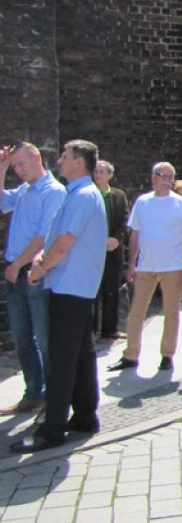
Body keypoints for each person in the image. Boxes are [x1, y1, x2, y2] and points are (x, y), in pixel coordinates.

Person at [10, 140, 107, 453]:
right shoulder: (80, 194)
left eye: (65, 156)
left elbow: (64, 243)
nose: (60, 161)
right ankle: (84, 416)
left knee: (63, 359)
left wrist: (40, 268)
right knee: (80, 354)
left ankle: (52, 430)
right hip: (74, 286)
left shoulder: (81, 196)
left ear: (79, 162)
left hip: (69, 287)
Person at [108, 162, 182, 373]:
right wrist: (131, 263)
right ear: (153, 178)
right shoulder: (143, 202)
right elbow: (135, 234)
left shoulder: (181, 204)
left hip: (172, 266)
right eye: (162, 175)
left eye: (170, 176)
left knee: (171, 312)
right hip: (146, 266)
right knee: (136, 312)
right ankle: (131, 354)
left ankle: (167, 354)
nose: (166, 179)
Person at [0, 142, 66, 416]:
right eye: (15, 166)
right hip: (15, 270)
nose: (19, 170)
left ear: (37, 158)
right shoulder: (25, 190)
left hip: (34, 272)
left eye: (21, 164)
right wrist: (2, 167)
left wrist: (17, 264)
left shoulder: (54, 192)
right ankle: (34, 392)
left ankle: (54, 395)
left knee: (44, 336)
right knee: (22, 336)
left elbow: (44, 237)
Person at [92, 160, 130, 338]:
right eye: (96, 171)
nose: (98, 175)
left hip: (113, 250)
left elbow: (124, 219)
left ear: (110, 175)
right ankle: (91, 329)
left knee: (111, 289)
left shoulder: (118, 195)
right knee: (93, 289)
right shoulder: (90, 195)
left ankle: (110, 328)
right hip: (93, 250)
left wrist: (117, 239)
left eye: (102, 171)